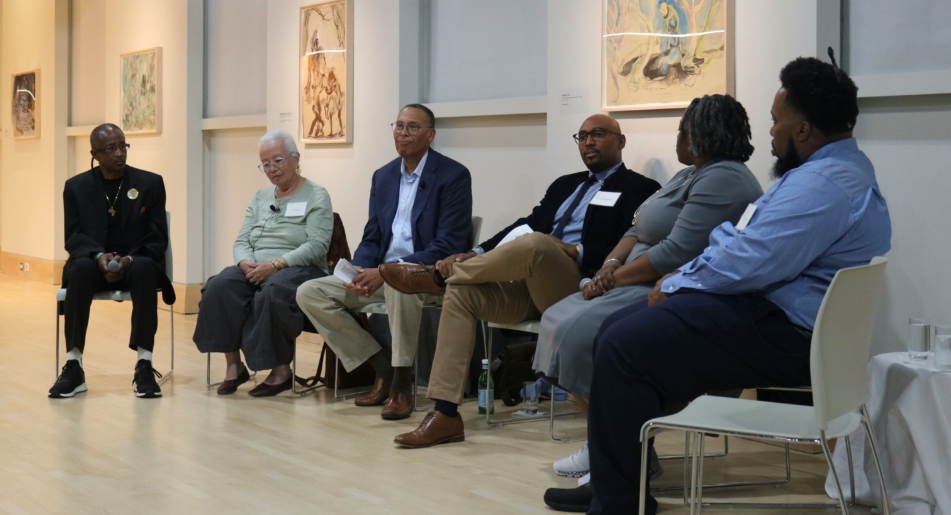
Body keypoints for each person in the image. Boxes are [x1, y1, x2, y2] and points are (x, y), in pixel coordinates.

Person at [543, 56, 892, 513]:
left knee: (624, 344)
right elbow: (745, 248)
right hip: (782, 314)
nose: (770, 132)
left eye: (775, 121)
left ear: (803, 130)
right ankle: (620, 480)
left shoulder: (822, 184)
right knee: (619, 333)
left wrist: (675, 283)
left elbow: (749, 260)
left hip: (786, 328)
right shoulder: (835, 171)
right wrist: (683, 277)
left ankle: (619, 500)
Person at [381, 113, 661, 448]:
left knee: (536, 243)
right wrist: (474, 251)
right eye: (582, 136)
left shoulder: (641, 189)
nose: (588, 142)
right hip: (532, 287)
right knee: (462, 292)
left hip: (580, 290)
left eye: (598, 134)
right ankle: (445, 414)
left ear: (620, 140)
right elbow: (526, 223)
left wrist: (574, 250)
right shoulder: (565, 184)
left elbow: (632, 247)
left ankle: (435, 280)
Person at [538, 95, 762, 481]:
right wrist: (608, 265)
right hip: (629, 273)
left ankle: (622, 452)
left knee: (578, 334)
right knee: (555, 319)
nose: (677, 136)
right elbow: (635, 227)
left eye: (682, 128)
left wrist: (610, 279)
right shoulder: (689, 173)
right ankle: (606, 444)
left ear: (700, 134)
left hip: (667, 285)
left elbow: (677, 251)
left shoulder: (725, 177)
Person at [296, 104, 472, 421]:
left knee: (399, 285)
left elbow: (449, 244)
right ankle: (382, 366)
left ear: (430, 134)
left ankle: (402, 383)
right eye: (398, 126)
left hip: (425, 276)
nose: (402, 133)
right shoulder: (384, 176)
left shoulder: (453, 175)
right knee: (310, 291)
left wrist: (388, 271)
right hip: (380, 274)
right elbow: (373, 236)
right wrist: (360, 269)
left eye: (412, 127)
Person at [193, 130, 333, 397]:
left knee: (272, 293)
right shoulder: (260, 198)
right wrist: (244, 261)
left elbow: (317, 246)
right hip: (256, 268)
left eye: (278, 161)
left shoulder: (316, 195)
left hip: (299, 269)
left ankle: (281, 371)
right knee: (219, 287)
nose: (272, 169)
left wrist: (276, 264)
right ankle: (234, 367)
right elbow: (241, 240)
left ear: (295, 158)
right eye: (265, 164)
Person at [50, 124, 174, 399]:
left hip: (136, 259)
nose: (120, 153)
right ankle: (74, 365)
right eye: (111, 148)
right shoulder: (76, 187)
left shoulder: (150, 183)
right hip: (92, 261)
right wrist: (98, 256)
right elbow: (73, 237)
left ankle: (144, 364)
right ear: (95, 153)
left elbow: (157, 238)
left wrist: (129, 257)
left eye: (123, 146)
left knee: (143, 268)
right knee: (80, 268)